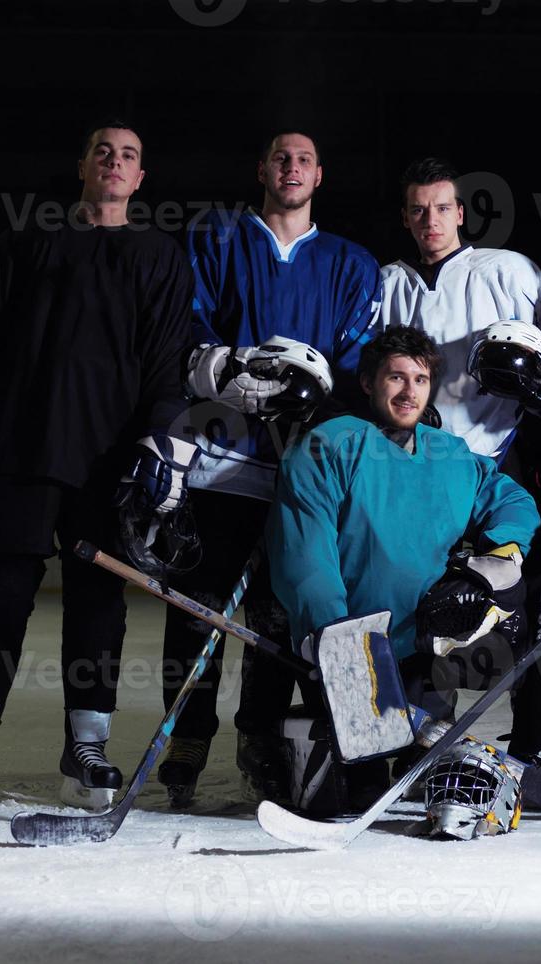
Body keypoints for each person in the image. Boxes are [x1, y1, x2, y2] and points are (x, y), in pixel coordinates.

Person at [0, 121, 196, 814]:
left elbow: (165, 367)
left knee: (98, 607)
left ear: (141, 178)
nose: (114, 162)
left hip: (109, 466)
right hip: (21, 453)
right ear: (83, 166)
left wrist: (159, 444)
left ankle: (85, 745)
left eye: (128, 156)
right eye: (103, 151)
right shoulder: (25, 245)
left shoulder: (157, 255)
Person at [157, 130, 381, 806]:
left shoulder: (352, 263)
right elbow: (185, 333)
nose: (291, 168)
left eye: (304, 159)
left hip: (301, 476)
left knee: (276, 621)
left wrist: (320, 397)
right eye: (280, 157)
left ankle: (259, 738)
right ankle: (185, 739)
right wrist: (223, 371)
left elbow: (358, 363)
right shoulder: (215, 238)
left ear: (320, 176)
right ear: (261, 169)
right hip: (221, 466)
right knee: (195, 613)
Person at [266, 323, 539, 689]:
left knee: (432, 744)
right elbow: (305, 558)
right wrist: (337, 643)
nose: (410, 392)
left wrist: (504, 551)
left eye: (421, 379)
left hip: (426, 648)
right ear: (368, 382)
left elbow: (512, 499)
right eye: (397, 377)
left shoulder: (450, 452)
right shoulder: (327, 446)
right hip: (346, 648)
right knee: (360, 745)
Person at [379, 157, 541, 459]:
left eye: (443, 208)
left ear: (460, 214)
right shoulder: (385, 283)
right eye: (418, 210)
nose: (430, 220)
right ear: (405, 218)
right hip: (411, 449)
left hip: (497, 447)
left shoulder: (510, 271)